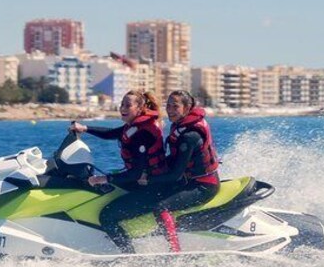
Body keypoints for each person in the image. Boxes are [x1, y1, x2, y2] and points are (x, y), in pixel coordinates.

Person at [69, 90, 167, 253]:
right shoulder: (133, 127)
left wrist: (103, 178)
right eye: (122, 104)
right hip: (141, 183)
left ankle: (129, 256)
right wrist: (84, 128)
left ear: (140, 108)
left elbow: (135, 174)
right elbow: (112, 133)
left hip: (152, 189)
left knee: (107, 216)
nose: (123, 108)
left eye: (128, 105)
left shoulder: (142, 133)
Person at [139, 90, 220, 252]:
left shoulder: (190, 135)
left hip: (203, 186)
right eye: (168, 105)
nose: (170, 109)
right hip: (191, 181)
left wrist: (148, 179)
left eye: (175, 106)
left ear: (187, 108)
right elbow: (174, 159)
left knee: (160, 206)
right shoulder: (180, 126)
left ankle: (175, 250)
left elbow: (175, 174)